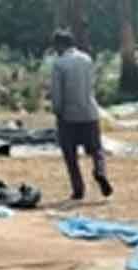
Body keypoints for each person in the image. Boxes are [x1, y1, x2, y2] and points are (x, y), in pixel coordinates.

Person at [49, 29, 112, 202]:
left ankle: (78, 190)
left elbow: (57, 93)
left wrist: (57, 111)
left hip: (69, 116)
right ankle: (100, 172)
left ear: (60, 45)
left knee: (70, 155)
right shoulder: (86, 59)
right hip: (90, 112)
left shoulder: (59, 64)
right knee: (97, 150)